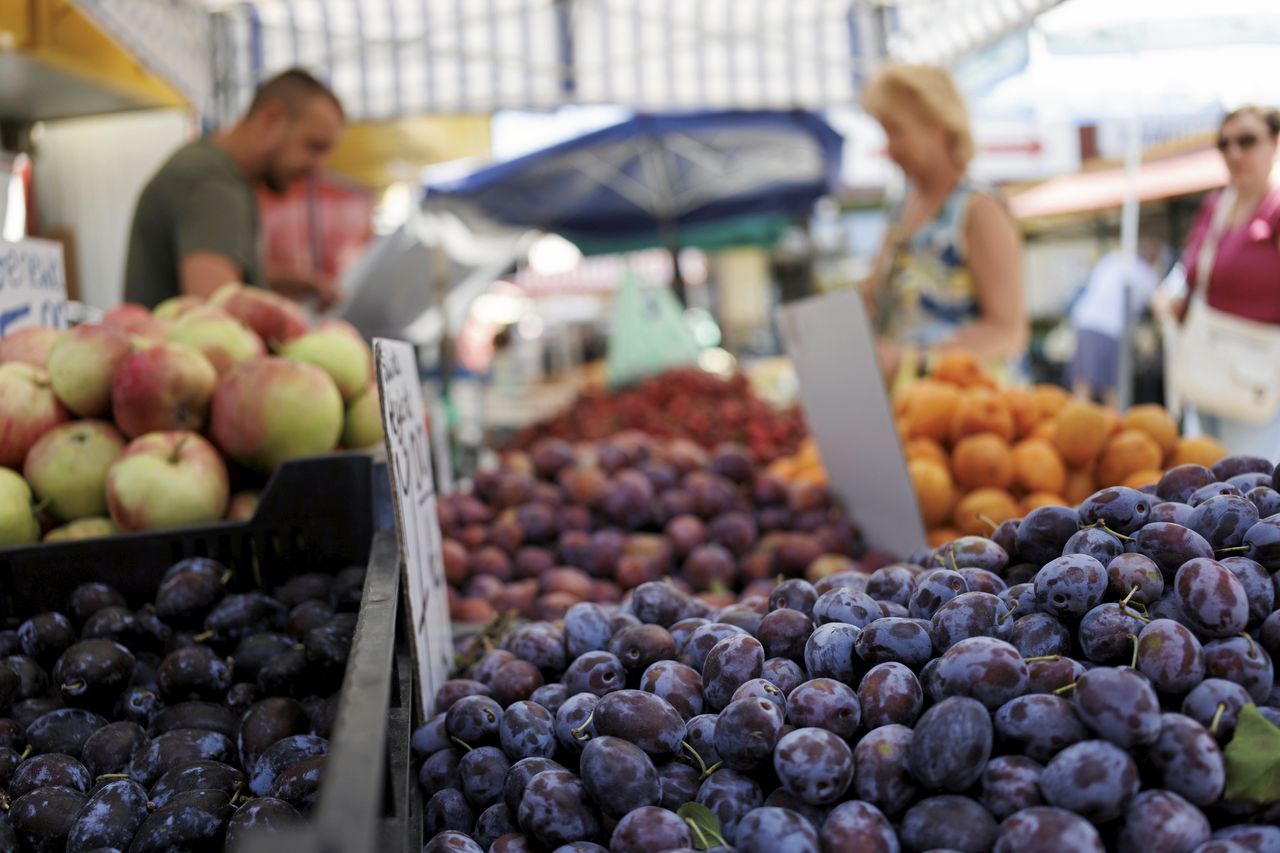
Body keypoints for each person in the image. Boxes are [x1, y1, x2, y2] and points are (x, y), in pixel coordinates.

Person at [859, 64, 1027, 388]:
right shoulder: (899, 212)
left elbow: (1008, 331)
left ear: (939, 124)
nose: (889, 148)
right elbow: (876, 299)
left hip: (971, 410)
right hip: (914, 409)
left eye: (896, 130)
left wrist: (916, 360)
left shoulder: (978, 209)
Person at [124, 68, 345, 310]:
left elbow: (225, 268)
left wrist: (297, 282)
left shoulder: (222, 174)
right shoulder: (212, 184)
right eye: (314, 146)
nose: (318, 169)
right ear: (271, 120)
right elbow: (218, 313)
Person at [1156, 105, 1280, 454]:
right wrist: (1171, 292)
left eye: (1247, 140)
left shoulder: (1275, 209)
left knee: (1253, 488)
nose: (1234, 152)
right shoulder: (1216, 205)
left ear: (1275, 142)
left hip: (1260, 379)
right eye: (1224, 144)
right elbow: (1189, 267)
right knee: (1212, 481)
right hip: (1208, 366)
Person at [1069, 238, 1164, 407]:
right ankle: (1113, 428)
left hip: (1084, 322)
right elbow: (1159, 306)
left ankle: (1080, 423)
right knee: (1110, 389)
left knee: (1083, 386)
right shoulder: (1146, 273)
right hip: (1109, 328)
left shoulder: (1113, 259)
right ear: (1154, 257)